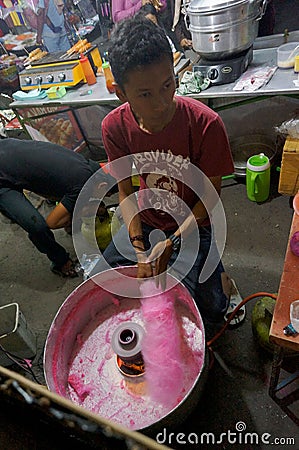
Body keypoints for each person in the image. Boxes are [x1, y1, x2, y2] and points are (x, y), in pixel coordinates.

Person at [93, 15, 239, 324]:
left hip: (193, 223)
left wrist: (171, 242)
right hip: (146, 222)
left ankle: (224, 285)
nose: (161, 102)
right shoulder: (114, 127)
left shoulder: (205, 124)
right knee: (101, 289)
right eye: (145, 94)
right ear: (121, 94)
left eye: (167, 84)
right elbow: (126, 191)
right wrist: (138, 247)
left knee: (209, 310)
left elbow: (209, 200)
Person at [0, 138, 114, 277]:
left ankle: (11, 210)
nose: (103, 198)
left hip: (10, 155)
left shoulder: (85, 165)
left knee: (68, 198)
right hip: (3, 175)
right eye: (106, 195)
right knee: (37, 226)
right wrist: (83, 210)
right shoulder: (83, 183)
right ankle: (60, 261)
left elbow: (59, 190)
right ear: (102, 185)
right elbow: (53, 223)